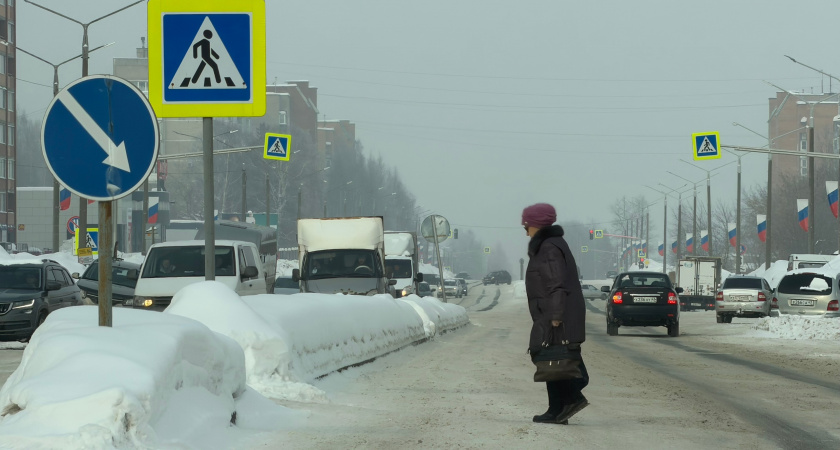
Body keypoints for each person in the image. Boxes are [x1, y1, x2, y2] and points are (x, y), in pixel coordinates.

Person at [522, 203, 589, 425]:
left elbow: (556, 284)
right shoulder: (549, 245)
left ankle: (569, 400)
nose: (525, 229)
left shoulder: (549, 247)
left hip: (556, 314)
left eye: (527, 224)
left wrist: (556, 315)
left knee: (552, 358)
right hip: (551, 313)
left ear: (536, 225)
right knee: (554, 360)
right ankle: (557, 410)